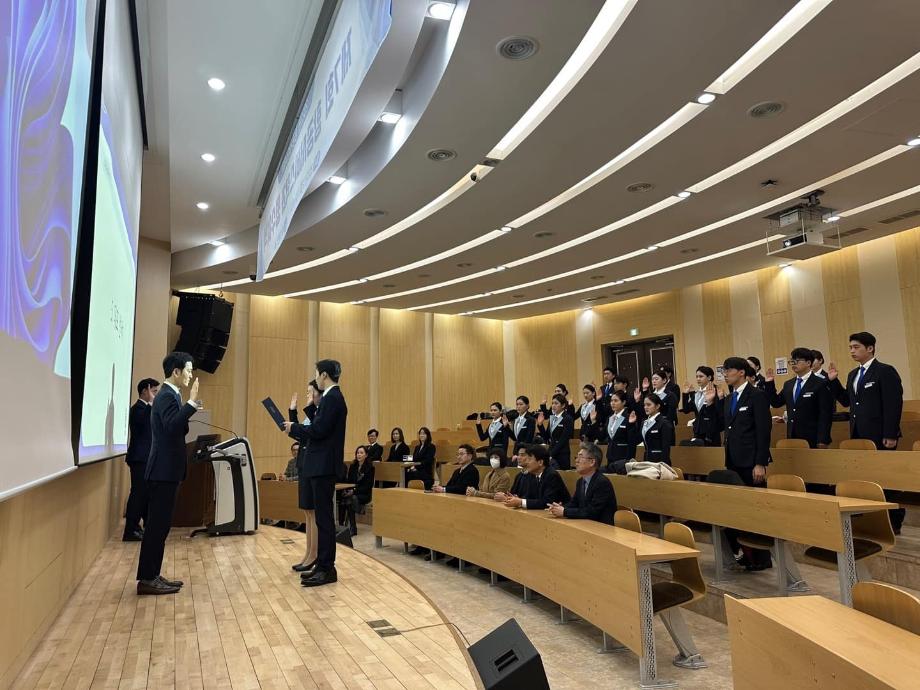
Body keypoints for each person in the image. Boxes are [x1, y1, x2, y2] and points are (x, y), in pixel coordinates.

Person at [827, 332, 905, 531]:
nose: (852, 351)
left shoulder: (885, 371)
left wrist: (890, 433)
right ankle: (868, 518)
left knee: (886, 478)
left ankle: (894, 521)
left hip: (880, 435)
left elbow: (893, 404)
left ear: (870, 348)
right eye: (850, 347)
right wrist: (833, 381)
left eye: (856, 347)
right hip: (858, 435)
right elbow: (847, 401)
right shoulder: (853, 374)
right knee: (865, 477)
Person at [136, 352, 199, 595]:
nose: (191, 375)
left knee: (160, 528)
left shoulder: (171, 395)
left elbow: (178, 428)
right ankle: (147, 579)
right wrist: (191, 404)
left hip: (167, 471)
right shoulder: (166, 396)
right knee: (156, 528)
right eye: (188, 370)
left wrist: (187, 407)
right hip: (163, 471)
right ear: (176, 371)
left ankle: (152, 574)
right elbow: (173, 426)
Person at [283, 359, 348, 588]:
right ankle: (321, 565)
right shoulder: (331, 398)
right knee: (321, 518)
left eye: (317, 374)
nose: (316, 378)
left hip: (323, 466)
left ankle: (327, 568)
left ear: (324, 375)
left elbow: (319, 430)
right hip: (321, 465)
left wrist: (294, 427)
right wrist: (309, 410)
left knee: (324, 519)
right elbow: (320, 424)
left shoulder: (332, 397)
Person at [705, 356, 773, 570]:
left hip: (751, 462)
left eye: (728, 370)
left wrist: (760, 462)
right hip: (733, 460)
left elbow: (764, 431)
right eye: (723, 371)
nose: (725, 374)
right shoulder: (729, 399)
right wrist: (710, 404)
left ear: (741, 372)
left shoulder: (756, 395)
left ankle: (762, 558)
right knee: (739, 510)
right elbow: (717, 426)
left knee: (754, 510)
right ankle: (748, 553)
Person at [763, 348, 832, 448]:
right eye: (792, 361)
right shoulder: (789, 384)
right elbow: (776, 403)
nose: (794, 364)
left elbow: (825, 413)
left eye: (797, 361)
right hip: (792, 435)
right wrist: (769, 384)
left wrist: (823, 439)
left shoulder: (820, 383)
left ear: (808, 363)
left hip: (813, 436)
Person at [287, 379, 321, 570]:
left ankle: (314, 554)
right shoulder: (311, 415)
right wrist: (292, 412)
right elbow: (299, 434)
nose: (307, 395)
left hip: (312, 465)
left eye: (310, 392)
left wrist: (307, 409)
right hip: (303, 464)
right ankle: (308, 552)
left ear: (318, 393)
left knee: (313, 512)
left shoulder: (319, 413)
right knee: (307, 512)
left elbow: (311, 433)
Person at [123, 377, 158, 542]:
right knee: (138, 494)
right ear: (145, 391)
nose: (155, 395)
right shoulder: (137, 409)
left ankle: (141, 527)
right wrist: (151, 403)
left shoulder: (147, 408)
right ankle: (130, 530)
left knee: (145, 494)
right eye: (154, 391)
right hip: (139, 458)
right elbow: (142, 422)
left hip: (147, 458)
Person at [547, 443, 616, 525]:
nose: (576, 461)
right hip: (586, 524)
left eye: (580, 457)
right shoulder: (580, 481)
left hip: (602, 527)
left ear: (592, 462)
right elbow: (574, 503)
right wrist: (558, 508)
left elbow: (593, 512)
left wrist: (565, 511)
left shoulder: (602, 482)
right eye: (576, 457)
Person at [500, 444, 569, 510]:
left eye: (530, 459)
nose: (527, 462)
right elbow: (530, 497)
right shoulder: (533, 475)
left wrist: (521, 502)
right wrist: (515, 499)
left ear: (540, 462)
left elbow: (547, 502)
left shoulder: (551, 475)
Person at [596, 390, 634, 473]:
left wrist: (629, 459)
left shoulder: (629, 417)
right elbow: (601, 437)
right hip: (610, 456)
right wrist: (594, 422)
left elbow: (631, 441)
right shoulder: (609, 418)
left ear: (623, 402)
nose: (612, 403)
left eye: (616, 401)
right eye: (611, 401)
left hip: (623, 457)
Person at [630, 393, 675, 464]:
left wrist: (663, 465)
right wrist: (632, 425)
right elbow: (636, 440)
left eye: (648, 405)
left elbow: (666, 448)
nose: (645, 407)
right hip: (647, 460)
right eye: (644, 405)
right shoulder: (644, 422)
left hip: (660, 462)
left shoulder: (664, 423)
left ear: (657, 406)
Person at [681, 367, 721, 447]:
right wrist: (685, 395)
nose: (698, 379)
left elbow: (718, 411)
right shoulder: (697, 393)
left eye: (701, 376)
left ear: (709, 377)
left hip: (711, 432)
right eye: (697, 376)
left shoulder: (717, 391)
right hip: (698, 430)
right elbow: (686, 410)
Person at [340, 446, 374, 536]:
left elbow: (368, 486)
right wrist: (347, 490)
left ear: (366, 455)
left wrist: (354, 491)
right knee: (343, 498)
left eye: (361, 453)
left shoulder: (370, 468)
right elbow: (349, 481)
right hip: (353, 492)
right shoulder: (353, 466)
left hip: (364, 494)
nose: (359, 455)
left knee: (350, 499)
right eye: (358, 453)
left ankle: (352, 527)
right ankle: (341, 526)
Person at [536, 394, 575, 469]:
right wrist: (540, 425)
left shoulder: (568, 418)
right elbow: (546, 437)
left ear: (563, 405)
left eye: (556, 403)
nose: (553, 405)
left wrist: (552, 454)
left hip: (562, 453)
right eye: (552, 403)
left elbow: (563, 439)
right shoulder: (552, 418)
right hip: (551, 451)